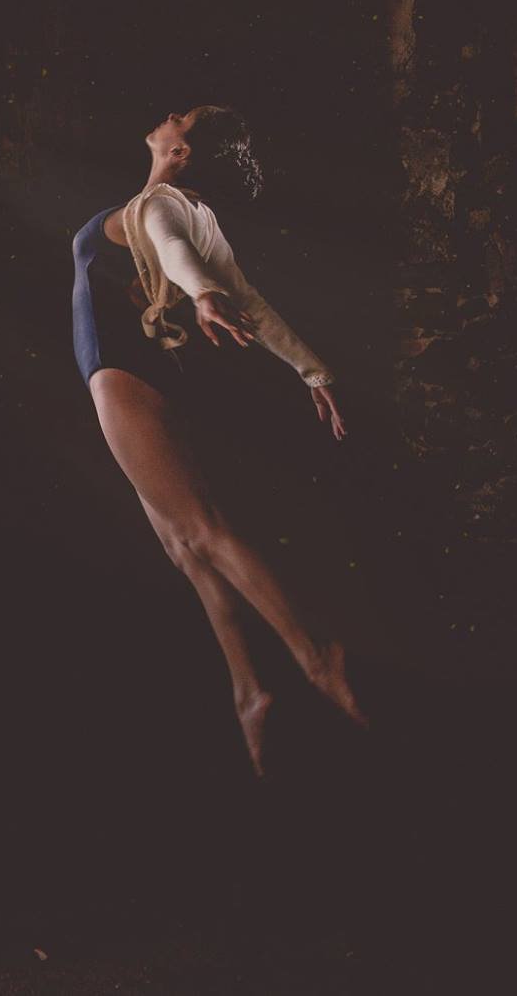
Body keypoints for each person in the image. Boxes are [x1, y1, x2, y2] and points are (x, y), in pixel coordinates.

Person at [70, 105, 366, 776]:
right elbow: (249, 297)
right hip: (135, 376)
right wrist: (312, 369)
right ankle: (250, 691)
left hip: (122, 378)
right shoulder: (181, 206)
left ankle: (317, 658)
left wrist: (200, 294)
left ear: (183, 150)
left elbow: (176, 254)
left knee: (202, 533)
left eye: (184, 117)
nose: (169, 114)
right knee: (185, 547)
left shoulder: (165, 206)